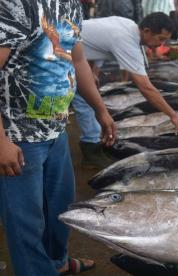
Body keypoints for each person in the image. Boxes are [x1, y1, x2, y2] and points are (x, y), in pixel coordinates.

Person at [0, 0, 116, 274]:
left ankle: (57, 263)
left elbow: (77, 60)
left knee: (60, 209)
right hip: (18, 136)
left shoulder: (71, 6)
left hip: (56, 129)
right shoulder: (16, 6)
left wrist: (101, 109)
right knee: (25, 223)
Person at [73, 12, 178, 169]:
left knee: (89, 98)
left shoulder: (129, 25)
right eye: (160, 39)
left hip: (72, 48)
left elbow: (93, 40)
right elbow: (145, 87)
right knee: (85, 100)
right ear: (147, 31)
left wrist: (93, 70)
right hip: (61, 52)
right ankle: (91, 151)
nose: (161, 44)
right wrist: (173, 115)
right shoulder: (126, 40)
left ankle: (92, 143)